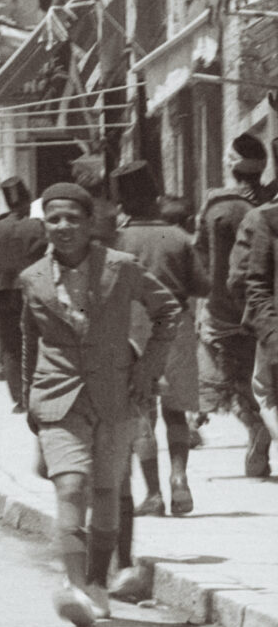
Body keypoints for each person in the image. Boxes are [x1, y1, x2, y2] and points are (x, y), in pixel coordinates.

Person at [21, 181, 178, 627]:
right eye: (54, 219)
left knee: (107, 491)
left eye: (72, 218)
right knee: (71, 486)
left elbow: (169, 312)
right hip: (57, 396)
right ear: (45, 225)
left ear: (90, 224)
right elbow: (29, 338)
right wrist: (28, 397)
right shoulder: (31, 279)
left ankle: (95, 584)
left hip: (117, 394)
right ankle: (73, 587)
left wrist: (147, 370)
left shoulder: (122, 268)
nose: (63, 226)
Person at [113, 164, 205, 523]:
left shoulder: (117, 241)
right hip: (177, 327)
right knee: (176, 408)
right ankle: (179, 478)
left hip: (133, 329)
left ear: (122, 203)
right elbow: (202, 285)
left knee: (141, 411)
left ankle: (153, 494)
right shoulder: (180, 237)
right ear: (155, 197)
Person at [199, 133, 272, 477]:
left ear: (233, 164)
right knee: (260, 378)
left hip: (225, 310)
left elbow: (204, 258)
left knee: (226, 379)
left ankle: (255, 426)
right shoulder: (269, 203)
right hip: (264, 311)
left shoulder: (218, 205)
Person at [0, 176, 48, 413]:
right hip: (30, 290)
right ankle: (35, 393)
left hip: (2, 292)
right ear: (28, 200)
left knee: (10, 345)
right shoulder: (37, 226)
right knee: (35, 341)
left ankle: (19, 399)